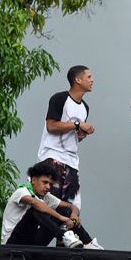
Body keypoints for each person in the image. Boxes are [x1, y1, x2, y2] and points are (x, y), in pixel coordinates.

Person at [1, 160, 101, 249]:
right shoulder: (21, 191)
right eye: (45, 182)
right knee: (35, 210)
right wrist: (62, 218)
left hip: (32, 244)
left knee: (65, 211)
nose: (48, 187)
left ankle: (88, 243)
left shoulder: (45, 196)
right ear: (34, 180)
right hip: (12, 244)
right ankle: (64, 236)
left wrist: (74, 215)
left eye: (50, 184)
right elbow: (35, 203)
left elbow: (71, 206)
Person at [37, 65, 95, 210]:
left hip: (72, 162)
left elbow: (74, 135)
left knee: (71, 208)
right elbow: (51, 126)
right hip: (53, 157)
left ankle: (66, 232)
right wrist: (78, 124)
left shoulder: (85, 107)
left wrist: (81, 134)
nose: (92, 80)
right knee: (50, 203)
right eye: (89, 77)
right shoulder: (60, 99)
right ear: (78, 80)